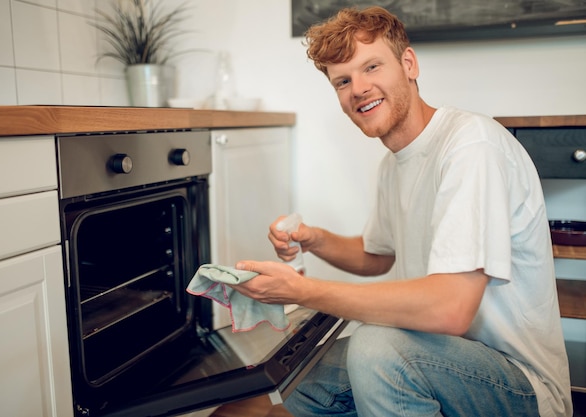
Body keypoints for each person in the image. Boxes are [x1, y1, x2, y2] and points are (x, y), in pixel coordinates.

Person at [231, 6, 572, 417]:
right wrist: (314, 238)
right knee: (293, 385)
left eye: (371, 66)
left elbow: (450, 308)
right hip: (443, 358)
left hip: (521, 387)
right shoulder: (394, 163)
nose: (358, 88)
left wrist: (303, 292)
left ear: (408, 64)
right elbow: (378, 256)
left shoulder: (470, 146)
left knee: (374, 346)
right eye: (343, 80)